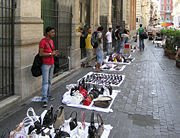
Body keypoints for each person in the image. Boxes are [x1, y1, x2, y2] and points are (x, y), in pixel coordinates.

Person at [39, 26, 59, 108]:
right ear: (47, 33)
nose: (54, 33)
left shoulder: (51, 41)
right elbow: (41, 54)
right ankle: (44, 98)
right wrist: (51, 54)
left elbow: (52, 51)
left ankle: (49, 95)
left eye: (54, 32)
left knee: (50, 81)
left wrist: (55, 53)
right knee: (45, 82)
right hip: (45, 64)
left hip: (52, 63)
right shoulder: (42, 41)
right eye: (52, 32)